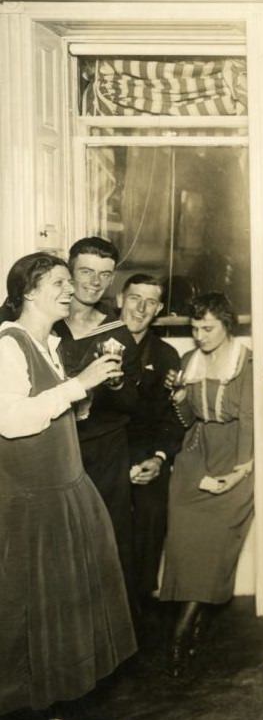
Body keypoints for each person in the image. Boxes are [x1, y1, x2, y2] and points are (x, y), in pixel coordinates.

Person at [0, 252, 136, 720]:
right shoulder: (8, 346)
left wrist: (88, 392)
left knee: (67, 600)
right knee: (38, 604)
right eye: (58, 282)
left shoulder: (51, 343)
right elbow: (11, 421)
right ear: (29, 291)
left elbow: (58, 413)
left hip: (66, 485)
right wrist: (79, 384)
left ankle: (61, 695)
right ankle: (39, 703)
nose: (69, 290)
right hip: (34, 499)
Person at [158, 293, 254, 677]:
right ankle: (188, 619)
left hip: (235, 451)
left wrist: (241, 470)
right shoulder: (189, 361)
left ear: (227, 324)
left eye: (207, 328)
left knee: (215, 540)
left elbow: (248, 419)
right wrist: (178, 397)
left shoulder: (244, 361)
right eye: (194, 329)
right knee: (183, 536)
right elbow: (185, 420)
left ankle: (182, 629)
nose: (199, 336)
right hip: (197, 449)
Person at [53, 237, 141, 607]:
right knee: (58, 544)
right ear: (69, 272)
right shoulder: (44, 322)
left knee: (108, 541)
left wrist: (118, 383)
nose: (95, 282)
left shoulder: (117, 331)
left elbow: (133, 405)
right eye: (86, 271)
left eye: (105, 275)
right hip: (55, 449)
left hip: (105, 450)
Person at [120, 274, 184, 614]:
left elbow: (171, 418)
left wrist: (159, 459)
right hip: (104, 455)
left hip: (147, 455)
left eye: (150, 302)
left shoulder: (166, 355)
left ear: (158, 309)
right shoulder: (95, 343)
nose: (141, 308)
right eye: (135, 298)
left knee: (152, 514)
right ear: (120, 299)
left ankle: (142, 604)